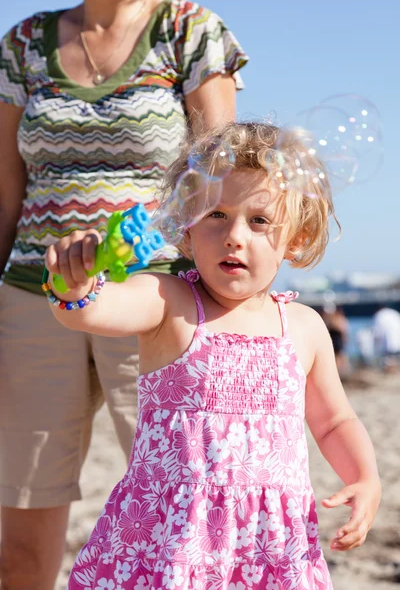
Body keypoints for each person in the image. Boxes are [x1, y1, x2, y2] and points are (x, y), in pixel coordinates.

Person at [44, 122, 381, 590]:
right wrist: (74, 285)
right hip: (171, 540)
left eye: (259, 220)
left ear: (297, 237)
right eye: (216, 215)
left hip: (268, 544)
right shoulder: (170, 302)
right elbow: (94, 311)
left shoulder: (303, 327)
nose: (234, 236)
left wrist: (365, 478)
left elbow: (333, 422)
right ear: (186, 227)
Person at [0, 0, 248, 587]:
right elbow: (7, 191)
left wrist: (232, 304)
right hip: (34, 299)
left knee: (184, 512)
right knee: (18, 547)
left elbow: (223, 180)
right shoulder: (24, 43)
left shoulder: (188, 29)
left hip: (154, 299)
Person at [321, 304, 351, 378]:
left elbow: (343, 330)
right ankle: (337, 373)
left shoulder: (338, 319)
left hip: (336, 339)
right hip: (333, 339)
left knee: (338, 357)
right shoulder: (326, 318)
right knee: (335, 357)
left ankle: (338, 373)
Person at [372, 305, 400, 372]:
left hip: (389, 343)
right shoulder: (394, 313)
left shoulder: (379, 315)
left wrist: (376, 348)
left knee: (390, 362)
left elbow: (377, 333)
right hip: (397, 341)